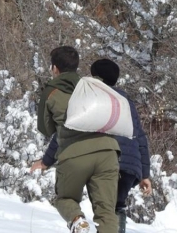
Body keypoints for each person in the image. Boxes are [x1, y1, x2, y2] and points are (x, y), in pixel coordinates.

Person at [32, 58, 152, 233]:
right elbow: (140, 137)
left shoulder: (90, 97)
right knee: (113, 210)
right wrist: (145, 174)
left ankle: (78, 221)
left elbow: (67, 129)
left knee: (100, 208)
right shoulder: (124, 101)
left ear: (94, 75)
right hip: (129, 166)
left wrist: (46, 161)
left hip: (106, 157)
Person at [34, 46, 121, 233]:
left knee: (65, 199)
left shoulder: (51, 91)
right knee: (106, 212)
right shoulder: (91, 87)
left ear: (55, 68)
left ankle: (78, 221)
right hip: (108, 152)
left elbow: (46, 129)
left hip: (74, 154)